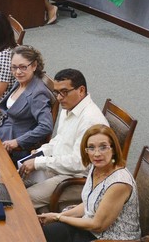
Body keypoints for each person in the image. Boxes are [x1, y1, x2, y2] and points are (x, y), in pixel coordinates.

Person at [18, 69, 109, 212]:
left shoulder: (91, 121)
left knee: (23, 198)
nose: (59, 98)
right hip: (60, 168)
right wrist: (41, 152)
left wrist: (39, 162)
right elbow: (59, 140)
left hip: (76, 180)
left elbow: (80, 163)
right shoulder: (69, 107)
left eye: (64, 92)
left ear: (81, 90)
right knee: (15, 180)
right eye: (57, 93)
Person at [39, 124, 141, 241]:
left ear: (113, 149)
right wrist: (57, 216)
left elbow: (97, 225)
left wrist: (58, 218)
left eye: (103, 147)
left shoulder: (119, 183)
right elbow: (89, 204)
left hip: (109, 238)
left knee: (50, 234)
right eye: (91, 148)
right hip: (90, 229)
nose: (96, 154)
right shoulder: (96, 167)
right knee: (46, 232)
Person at [0, 45, 54, 163]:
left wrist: (17, 142)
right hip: (1, 134)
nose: (18, 72)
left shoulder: (38, 93)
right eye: (14, 67)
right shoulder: (22, 82)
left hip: (14, 149)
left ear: (34, 66)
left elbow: (46, 126)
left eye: (23, 67)